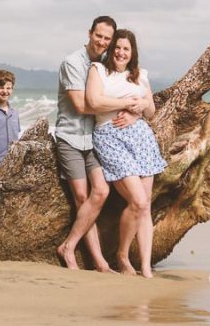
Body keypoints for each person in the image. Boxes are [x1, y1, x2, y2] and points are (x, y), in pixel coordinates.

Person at [55, 15, 138, 272]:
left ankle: (70, 246)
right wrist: (125, 103)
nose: (102, 42)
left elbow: (128, 90)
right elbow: (84, 105)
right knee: (82, 196)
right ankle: (95, 260)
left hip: (93, 139)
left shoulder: (104, 64)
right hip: (70, 137)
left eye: (107, 39)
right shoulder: (73, 62)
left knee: (100, 192)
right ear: (90, 32)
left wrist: (137, 108)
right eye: (98, 35)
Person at [86, 29, 166, 277]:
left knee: (145, 206)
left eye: (126, 49)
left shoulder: (140, 75)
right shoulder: (98, 70)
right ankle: (122, 255)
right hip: (110, 137)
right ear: (112, 49)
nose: (121, 52)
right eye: (118, 47)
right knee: (138, 200)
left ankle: (144, 266)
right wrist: (126, 105)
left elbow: (151, 110)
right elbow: (93, 102)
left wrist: (141, 106)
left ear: (133, 53)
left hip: (141, 138)